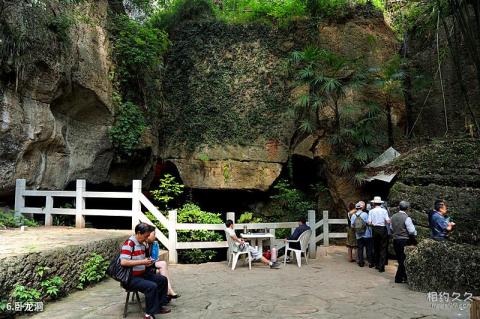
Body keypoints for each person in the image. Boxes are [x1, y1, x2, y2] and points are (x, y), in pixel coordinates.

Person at [120, 223, 171, 318]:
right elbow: (123, 262)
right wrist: (142, 262)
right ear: (139, 233)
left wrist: (148, 262)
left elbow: (144, 260)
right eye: (145, 236)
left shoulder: (143, 244)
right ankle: (149, 314)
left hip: (142, 274)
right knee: (151, 286)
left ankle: (158, 307)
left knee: (162, 280)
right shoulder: (129, 243)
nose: (146, 238)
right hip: (130, 277)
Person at [145, 231, 179, 299]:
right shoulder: (142, 243)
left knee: (163, 264)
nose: (155, 236)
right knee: (161, 268)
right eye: (153, 234)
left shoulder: (153, 244)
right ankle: (167, 290)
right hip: (144, 267)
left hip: (150, 264)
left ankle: (168, 289)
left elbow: (155, 258)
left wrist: (154, 247)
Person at [390, 201, 417, 283]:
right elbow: (412, 231)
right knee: (403, 259)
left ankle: (404, 276)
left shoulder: (393, 217)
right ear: (407, 208)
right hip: (404, 240)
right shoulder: (407, 218)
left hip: (395, 239)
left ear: (399, 207)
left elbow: (391, 228)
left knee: (399, 258)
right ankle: (398, 277)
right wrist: (415, 233)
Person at [367, 196, 391, 272]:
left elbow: (369, 222)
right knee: (383, 248)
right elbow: (387, 221)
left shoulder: (371, 211)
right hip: (382, 229)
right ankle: (382, 266)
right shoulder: (384, 211)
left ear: (374, 203)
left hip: (374, 229)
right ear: (380, 203)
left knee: (376, 247)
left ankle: (377, 264)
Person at [351, 202, 374, 268]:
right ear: (361, 208)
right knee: (368, 249)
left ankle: (361, 263)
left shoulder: (353, 215)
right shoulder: (365, 214)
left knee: (360, 249)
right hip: (367, 234)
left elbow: (352, 226)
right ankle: (370, 263)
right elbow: (368, 222)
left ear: (356, 208)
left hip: (358, 235)